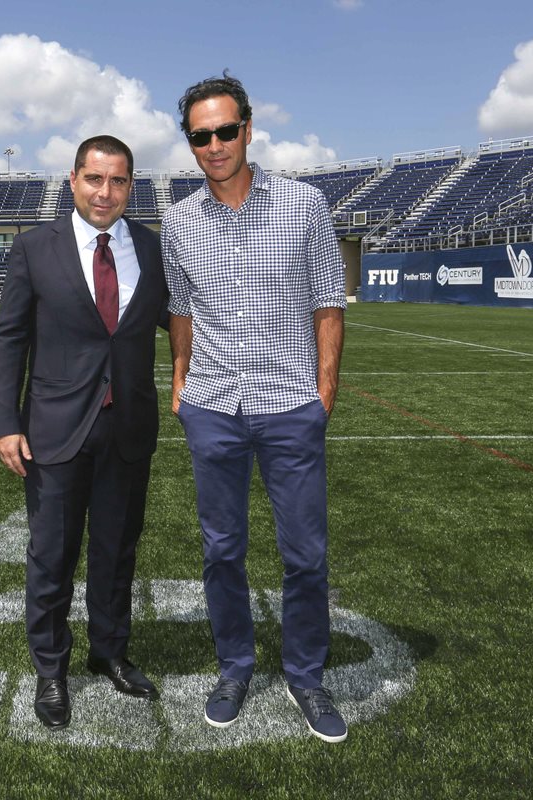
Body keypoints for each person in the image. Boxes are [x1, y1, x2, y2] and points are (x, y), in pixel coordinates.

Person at [161, 73, 349, 743]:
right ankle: (235, 667)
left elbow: (328, 304)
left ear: (248, 128)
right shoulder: (178, 222)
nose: (213, 145)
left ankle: (305, 674)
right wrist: (181, 386)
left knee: (304, 553)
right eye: (199, 136)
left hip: (290, 404)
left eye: (223, 131)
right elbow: (181, 313)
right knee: (222, 551)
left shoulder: (304, 206)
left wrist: (322, 395)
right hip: (212, 406)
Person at [0, 135, 168, 730]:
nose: (105, 192)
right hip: (54, 429)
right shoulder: (35, 248)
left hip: (129, 428)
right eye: (95, 179)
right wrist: (5, 423)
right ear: (73, 180)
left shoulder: (152, 246)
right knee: (52, 555)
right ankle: (50, 669)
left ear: (130, 187)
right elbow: (10, 338)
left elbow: (184, 322)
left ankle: (110, 651)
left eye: (119, 181)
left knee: (117, 551)